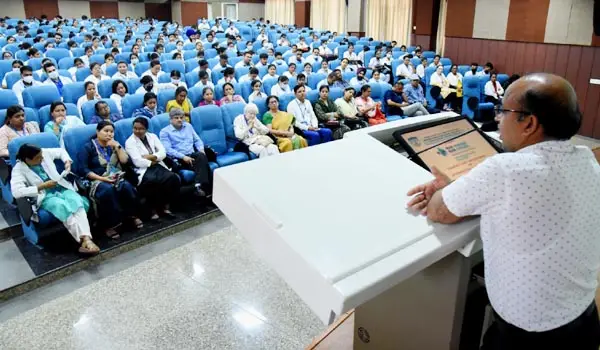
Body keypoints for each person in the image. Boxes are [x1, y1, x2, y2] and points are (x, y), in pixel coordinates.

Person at [406, 73, 600, 349]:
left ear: (529, 123)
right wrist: (459, 190)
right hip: (584, 318)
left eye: (504, 111)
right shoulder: (588, 161)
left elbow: (439, 211)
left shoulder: (505, 170)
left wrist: (441, 190)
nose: (497, 118)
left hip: (530, 335)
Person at [11, 144, 99, 255]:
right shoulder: (18, 169)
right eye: (38, 158)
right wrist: (41, 186)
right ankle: (86, 240)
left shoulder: (42, 152)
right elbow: (17, 192)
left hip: (61, 187)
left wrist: (67, 161)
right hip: (45, 195)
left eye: (41, 156)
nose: (42, 159)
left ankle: (85, 239)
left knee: (77, 202)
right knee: (62, 207)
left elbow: (61, 151)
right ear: (27, 159)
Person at [78, 121, 143, 237]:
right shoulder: (88, 147)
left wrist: (117, 147)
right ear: (98, 132)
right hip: (97, 180)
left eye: (111, 132)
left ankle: (131, 216)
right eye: (106, 131)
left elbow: (125, 161)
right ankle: (109, 225)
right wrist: (103, 179)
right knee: (108, 191)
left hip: (115, 176)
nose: (109, 134)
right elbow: (83, 170)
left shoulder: (114, 145)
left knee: (126, 186)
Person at [125, 117, 179, 220]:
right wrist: (154, 159)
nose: (137, 131)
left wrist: (151, 157)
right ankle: (153, 210)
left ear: (146, 129)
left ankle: (165, 207)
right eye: (135, 128)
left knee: (172, 178)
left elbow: (163, 152)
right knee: (151, 182)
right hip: (143, 169)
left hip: (158, 165)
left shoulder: (153, 136)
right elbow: (137, 161)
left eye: (140, 129)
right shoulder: (130, 142)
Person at [159, 108, 212, 197]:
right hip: (179, 159)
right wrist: (183, 157)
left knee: (201, 155)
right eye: (176, 118)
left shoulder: (188, 126)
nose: (179, 119)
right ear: (171, 120)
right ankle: (206, 190)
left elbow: (197, 140)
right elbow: (168, 149)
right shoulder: (164, 132)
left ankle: (200, 188)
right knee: (204, 163)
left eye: (181, 117)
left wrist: (201, 149)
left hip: (192, 155)